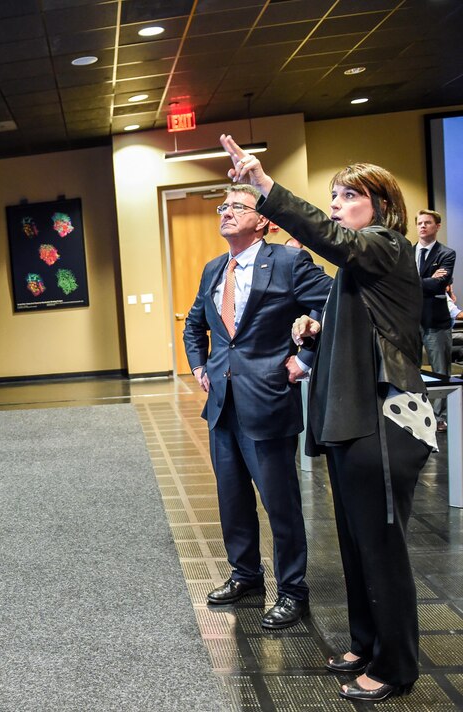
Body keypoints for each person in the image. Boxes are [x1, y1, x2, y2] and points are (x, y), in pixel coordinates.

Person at [221, 134, 434, 702]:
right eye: (334, 194)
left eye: (348, 195)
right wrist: (314, 332)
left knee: (381, 550)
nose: (336, 203)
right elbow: (357, 327)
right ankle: (366, 644)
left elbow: (332, 238)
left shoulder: (384, 245)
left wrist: (264, 187)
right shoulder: (358, 269)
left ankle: (396, 666)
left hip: (382, 424)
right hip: (348, 421)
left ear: (381, 206)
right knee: (356, 544)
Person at [183, 184, 332, 631]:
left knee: (279, 503)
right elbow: (195, 325)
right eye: (222, 207)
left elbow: (333, 306)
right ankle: (246, 575)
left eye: (236, 207)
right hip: (222, 406)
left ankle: (292, 592)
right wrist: (198, 366)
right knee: (231, 499)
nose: (225, 213)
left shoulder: (289, 262)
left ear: (263, 219)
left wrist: (304, 360)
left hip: (268, 401)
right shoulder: (214, 268)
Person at [415, 209, 455, 430]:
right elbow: (400, 283)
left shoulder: (446, 254)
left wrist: (412, 281)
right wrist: (426, 280)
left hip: (436, 321)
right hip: (411, 322)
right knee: (411, 369)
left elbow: (440, 284)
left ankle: (440, 418)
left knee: (440, 372)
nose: (422, 226)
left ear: (437, 226)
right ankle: (417, 414)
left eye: (427, 222)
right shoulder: (408, 252)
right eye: (419, 223)